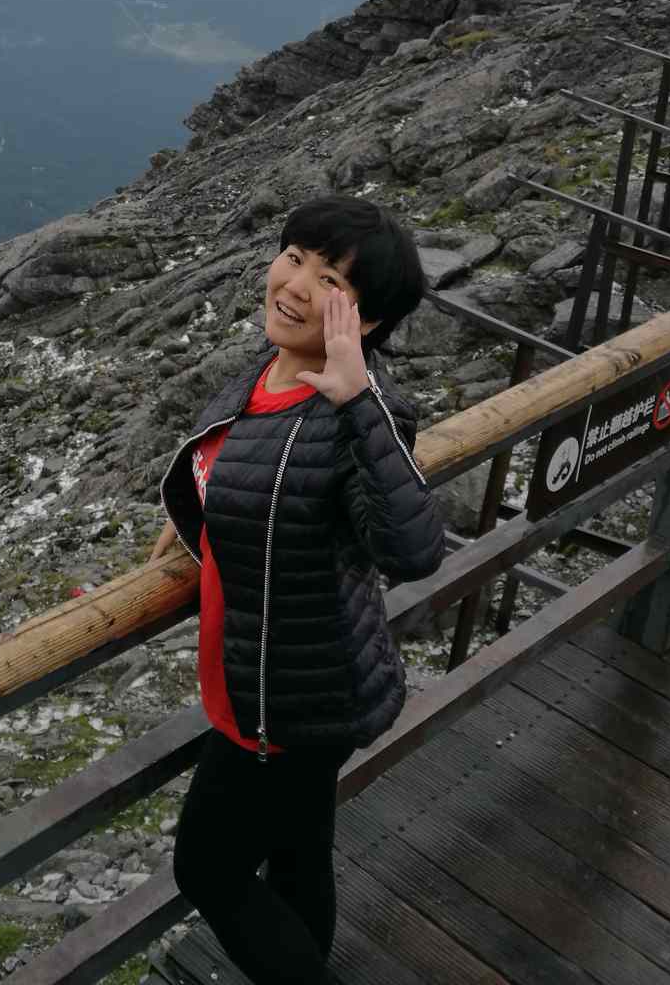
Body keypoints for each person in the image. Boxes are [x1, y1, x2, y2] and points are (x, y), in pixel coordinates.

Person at [149, 196, 445, 985]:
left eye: (331, 280)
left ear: (367, 321)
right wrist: (195, 513)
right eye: (295, 257)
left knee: (207, 869)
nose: (296, 284)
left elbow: (414, 549)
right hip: (276, 678)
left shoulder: (356, 412)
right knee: (297, 854)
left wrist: (359, 401)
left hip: (293, 702)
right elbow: (244, 459)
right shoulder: (271, 363)